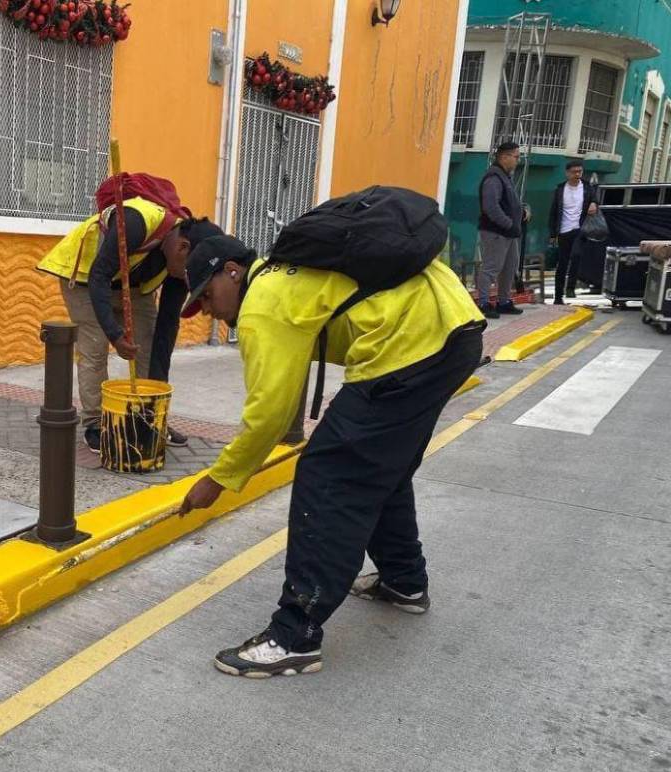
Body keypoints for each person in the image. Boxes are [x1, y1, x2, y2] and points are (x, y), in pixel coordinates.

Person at [177, 231, 485, 678]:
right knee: (382, 466)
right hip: (452, 328)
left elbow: (268, 416)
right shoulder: (285, 277)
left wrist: (217, 480)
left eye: (206, 295)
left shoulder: (262, 300)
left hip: (412, 344)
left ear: (232, 270)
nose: (208, 309)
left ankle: (294, 635)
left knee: (328, 474)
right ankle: (403, 581)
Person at [37, 201, 221, 451]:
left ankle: (149, 417)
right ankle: (95, 423)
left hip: (131, 287)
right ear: (182, 247)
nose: (190, 276)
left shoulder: (182, 267)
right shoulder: (135, 222)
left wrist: (158, 404)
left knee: (149, 340)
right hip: (83, 279)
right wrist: (115, 335)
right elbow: (99, 276)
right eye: (191, 269)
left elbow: (165, 331)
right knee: (95, 346)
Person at [477, 141, 528, 318]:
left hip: (509, 233)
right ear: (504, 157)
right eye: (516, 156)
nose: (518, 160)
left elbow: (510, 203)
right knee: (491, 267)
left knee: (509, 267)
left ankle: (503, 302)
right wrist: (509, 223)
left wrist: (521, 212)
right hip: (496, 232)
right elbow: (491, 207)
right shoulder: (493, 177)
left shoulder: (505, 177)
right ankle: (483, 303)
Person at [547, 159, 599, 304]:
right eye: (574, 172)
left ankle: (570, 288)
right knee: (562, 263)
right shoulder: (560, 189)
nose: (577, 174)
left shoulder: (587, 187)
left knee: (576, 256)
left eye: (580, 172)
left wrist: (594, 203)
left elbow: (595, 199)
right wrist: (552, 234)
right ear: (567, 173)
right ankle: (558, 296)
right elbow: (553, 213)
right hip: (563, 230)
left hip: (580, 229)